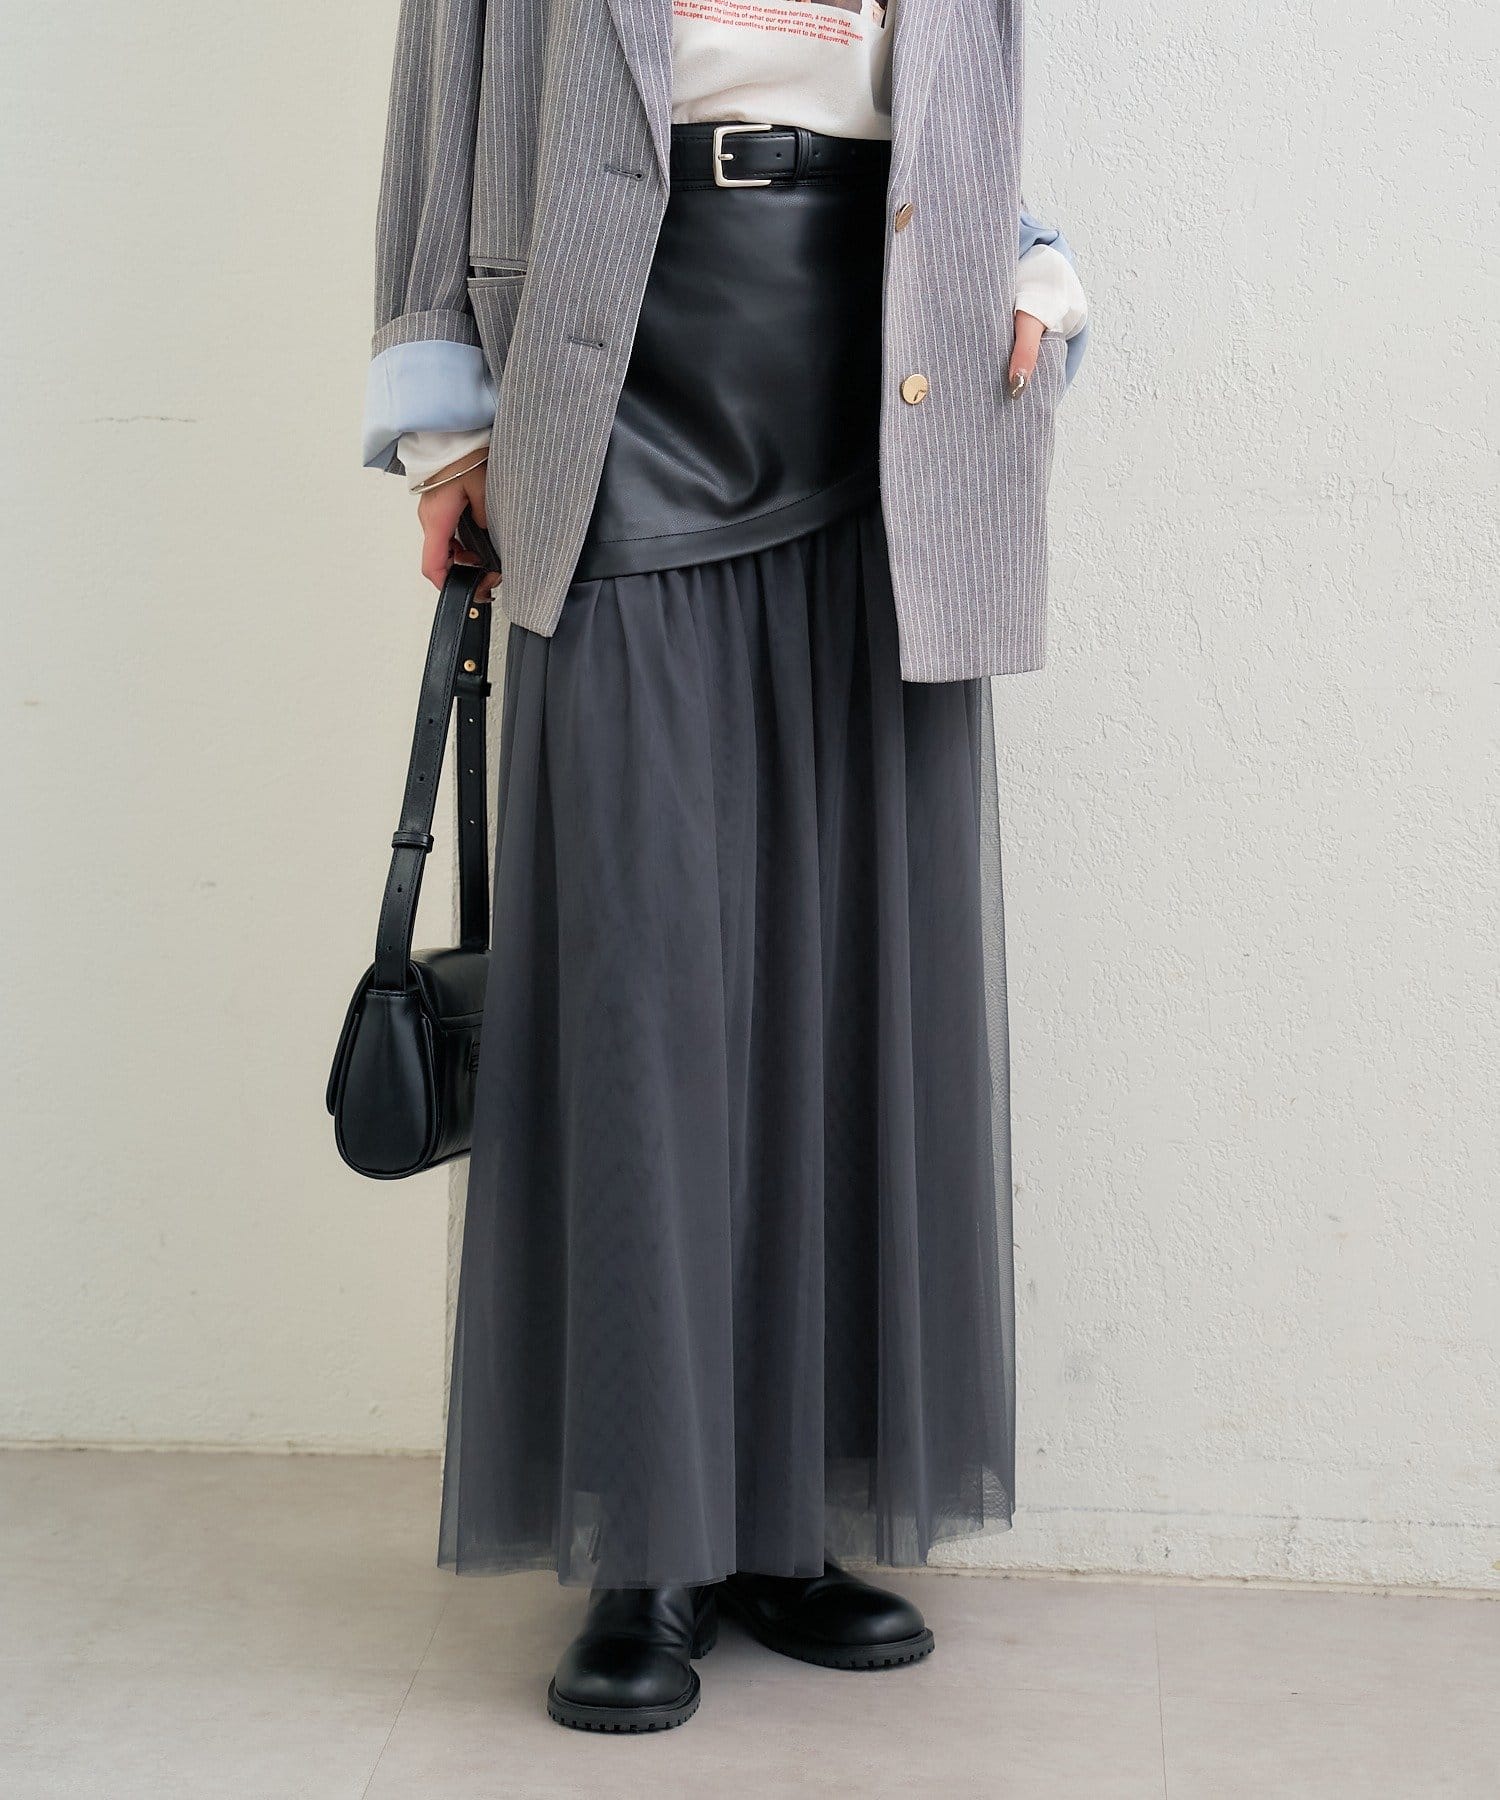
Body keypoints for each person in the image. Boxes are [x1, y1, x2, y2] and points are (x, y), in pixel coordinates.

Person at [362, 0, 1087, 1734]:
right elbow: (448, 94)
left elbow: (952, 93)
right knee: (642, 998)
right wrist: (445, 420)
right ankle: (648, 1543)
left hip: (885, 388)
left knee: (843, 979)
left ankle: (780, 1524)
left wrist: (1034, 272)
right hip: (616, 381)